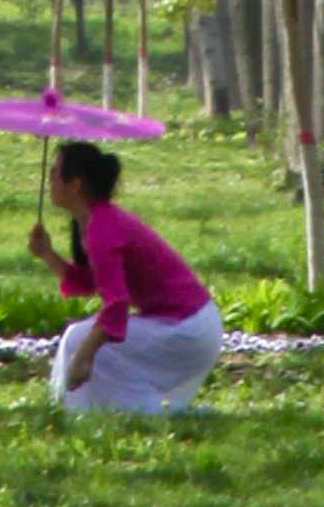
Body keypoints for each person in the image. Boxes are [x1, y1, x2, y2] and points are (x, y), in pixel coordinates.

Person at [35, 134, 223, 417]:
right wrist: (47, 252)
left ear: (74, 185)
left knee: (79, 339)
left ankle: (97, 413)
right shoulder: (94, 221)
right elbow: (90, 282)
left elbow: (117, 303)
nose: (49, 178)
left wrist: (85, 355)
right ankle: (91, 411)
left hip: (188, 328)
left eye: (55, 171)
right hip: (187, 323)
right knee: (84, 338)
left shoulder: (102, 227)